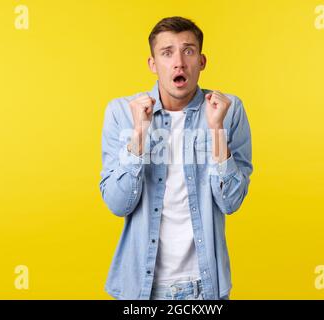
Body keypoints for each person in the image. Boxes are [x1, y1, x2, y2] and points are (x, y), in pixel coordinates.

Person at [100, 16, 253, 300]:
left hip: (206, 289)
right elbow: (117, 204)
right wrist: (140, 135)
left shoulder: (228, 111)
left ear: (202, 61)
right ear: (153, 64)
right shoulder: (122, 113)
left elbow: (231, 202)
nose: (179, 62)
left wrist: (216, 130)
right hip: (140, 290)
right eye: (167, 53)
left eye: (188, 51)